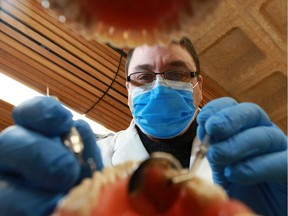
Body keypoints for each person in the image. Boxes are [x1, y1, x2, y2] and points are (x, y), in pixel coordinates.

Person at [0, 37, 287, 216]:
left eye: (175, 73)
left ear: (198, 87)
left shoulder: (247, 157)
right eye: (143, 76)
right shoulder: (93, 160)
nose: (159, 84)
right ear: (128, 92)